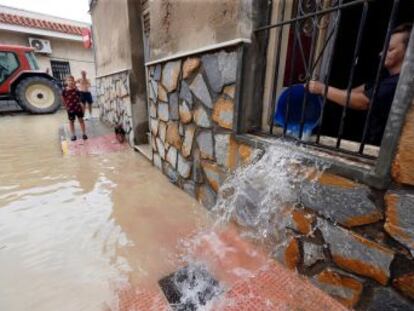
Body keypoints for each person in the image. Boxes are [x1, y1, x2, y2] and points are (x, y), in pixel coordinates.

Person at [309, 23, 412, 145]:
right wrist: (325, 93)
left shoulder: (398, 83)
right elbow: (353, 93)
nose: (381, 54)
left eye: (390, 50)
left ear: (408, 53)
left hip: (386, 148)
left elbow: (363, 101)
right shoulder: (386, 78)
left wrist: (322, 89)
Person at [62, 75, 88, 141]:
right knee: (71, 122)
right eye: (68, 80)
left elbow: (81, 99)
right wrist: (66, 107)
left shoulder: (76, 89)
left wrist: (82, 106)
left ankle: (84, 134)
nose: (70, 82)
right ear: (66, 82)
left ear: (74, 81)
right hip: (70, 109)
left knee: (81, 120)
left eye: (71, 80)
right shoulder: (64, 90)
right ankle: (73, 135)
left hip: (78, 108)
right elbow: (63, 99)